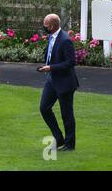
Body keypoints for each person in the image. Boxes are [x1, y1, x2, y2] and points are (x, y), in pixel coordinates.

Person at [37, 13, 79, 151]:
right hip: (52, 80)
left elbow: (71, 62)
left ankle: (69, 144)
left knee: (66, 114)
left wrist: (51, 67)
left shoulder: (65, 40)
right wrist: (48, 67)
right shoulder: (51, 36)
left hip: (65, 82)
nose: (44, 28)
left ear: (53, 26)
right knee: (44, 108)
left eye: (46, 26)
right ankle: (59, 138)